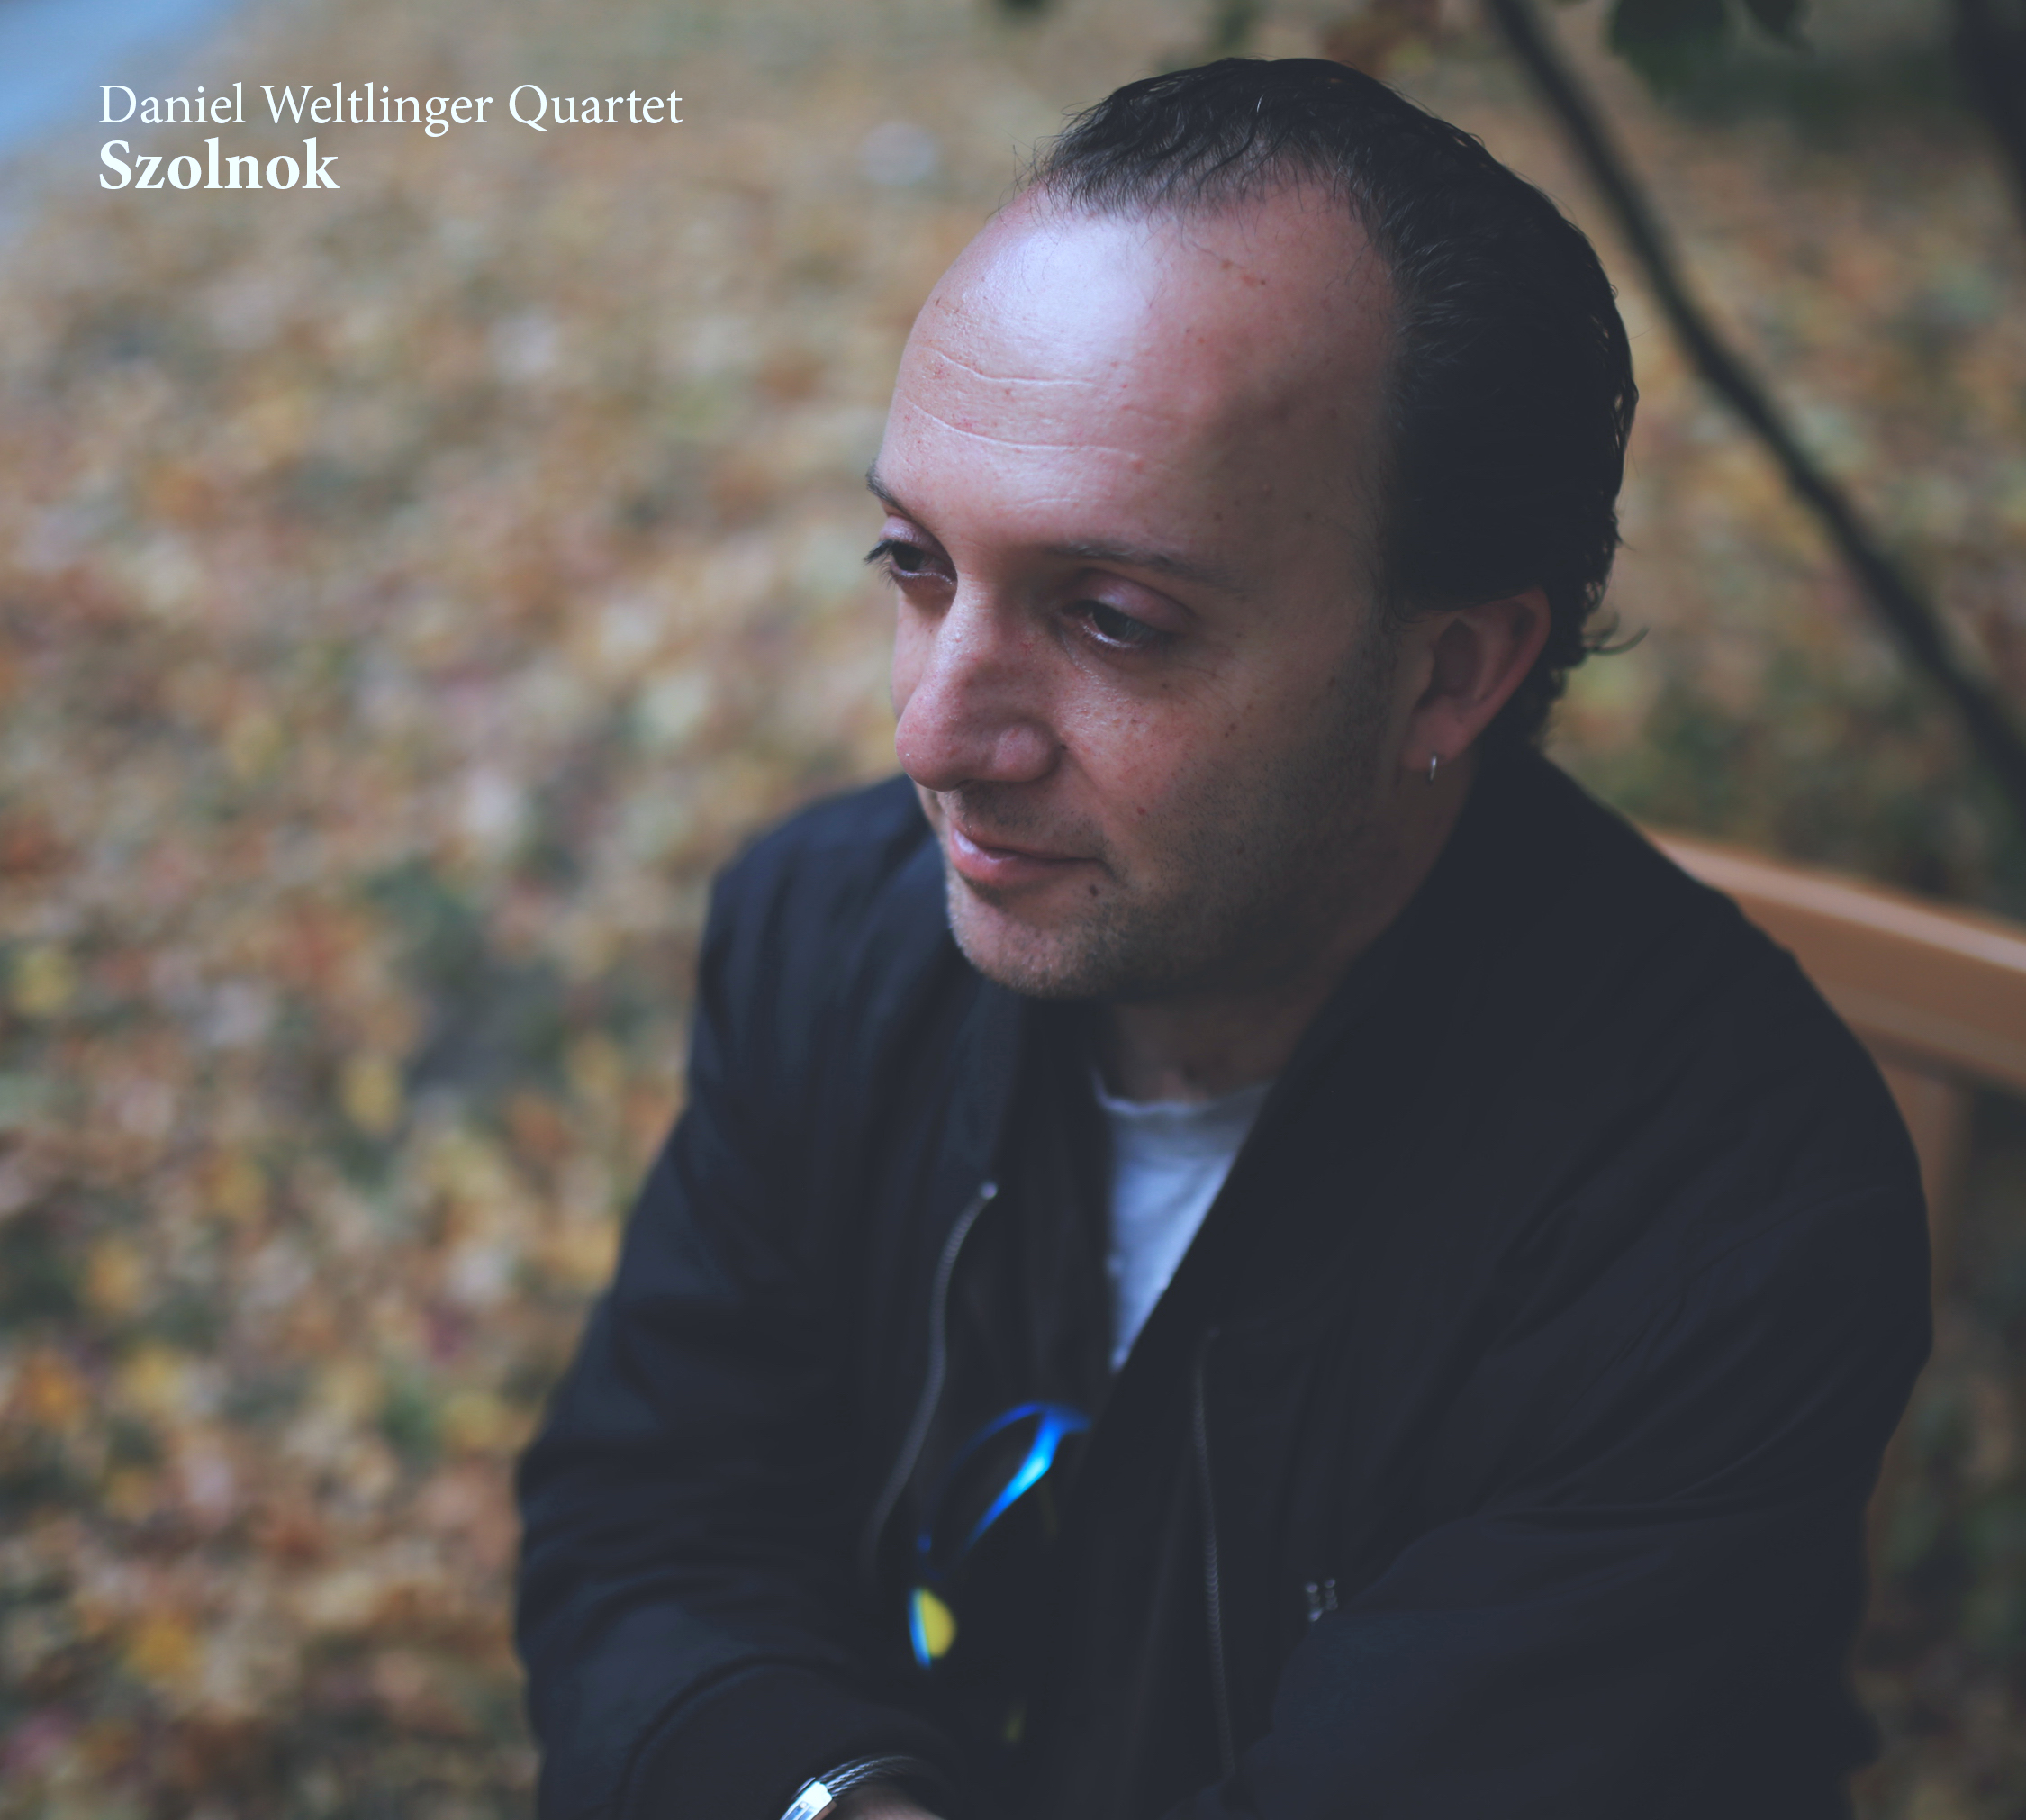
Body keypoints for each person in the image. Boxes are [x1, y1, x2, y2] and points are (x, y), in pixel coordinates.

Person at [515, 58, 1930, 1820]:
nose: (935, 735)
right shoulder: (825, 934)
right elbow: (653, 1530)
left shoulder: (1715, 1223)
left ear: (1447, 671)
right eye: (915, 563)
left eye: (1112, 619)